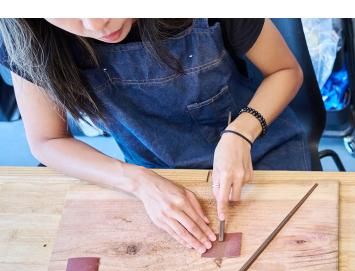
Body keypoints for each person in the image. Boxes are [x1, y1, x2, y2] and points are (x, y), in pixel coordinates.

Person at [0, 18, 308, 253]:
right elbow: (47, 141)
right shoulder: (25, 33)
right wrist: (138, 182)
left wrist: (240, 132)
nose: (96, 23)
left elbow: (286, 71)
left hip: (260, 144)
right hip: (155, 171)